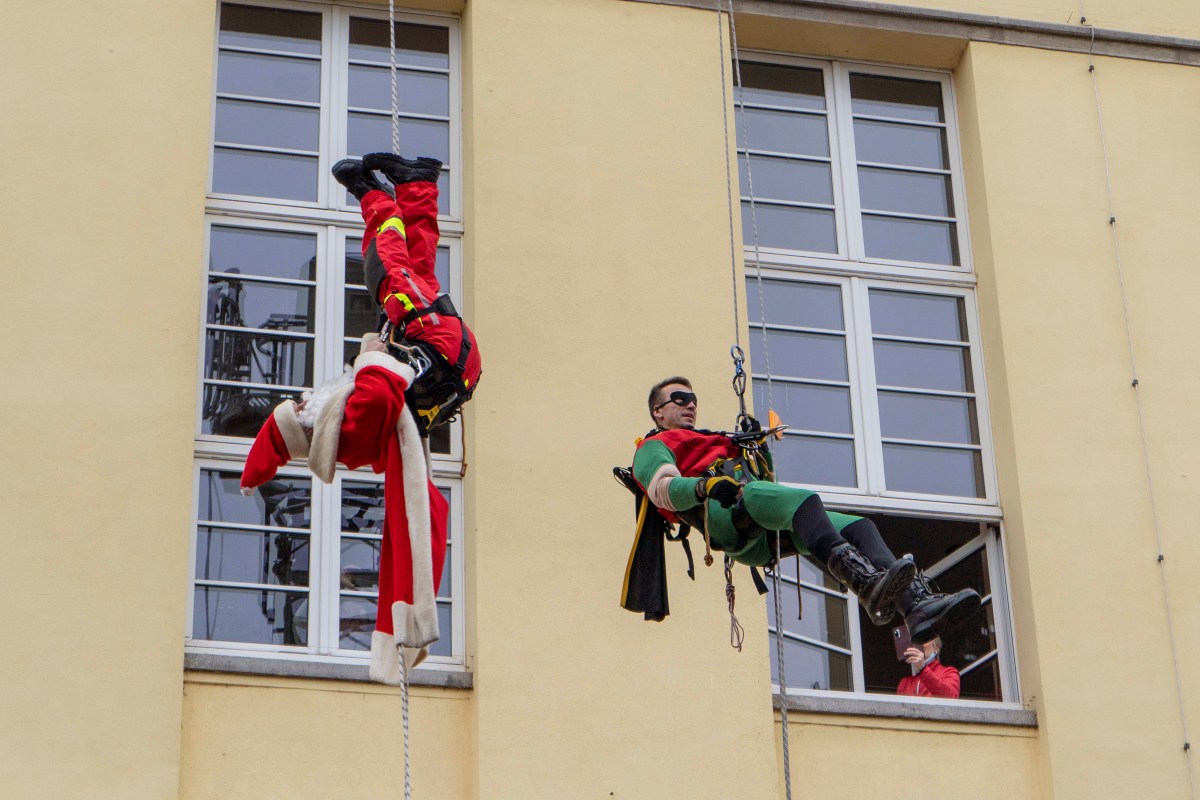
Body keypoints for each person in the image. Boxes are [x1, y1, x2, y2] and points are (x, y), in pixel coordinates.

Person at [237, 154, 482, 684]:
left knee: (415, 269)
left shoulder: (349, 433)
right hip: (437, 351)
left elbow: (375, 403)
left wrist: (379, 352)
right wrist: (373, 356)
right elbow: (376, 389)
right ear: (309, 427)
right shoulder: (347, 426)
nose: (304, 399)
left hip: (449, 363)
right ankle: (373, 193)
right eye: (300, 408)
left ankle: (419, 186)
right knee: (388, 269)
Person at [624, 376, 979, 643]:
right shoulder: (655, 445)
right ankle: (866, 585)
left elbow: (766, 482)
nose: (690, 405)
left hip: (758, 522)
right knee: (804, 500)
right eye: (679, 399)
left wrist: (756, 451)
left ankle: (915, 608)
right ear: (658, 411)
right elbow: (662, 489)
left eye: (693, 400)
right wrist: (706, 485)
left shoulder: (716, 440)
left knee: (859, 527)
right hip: (723, 514)